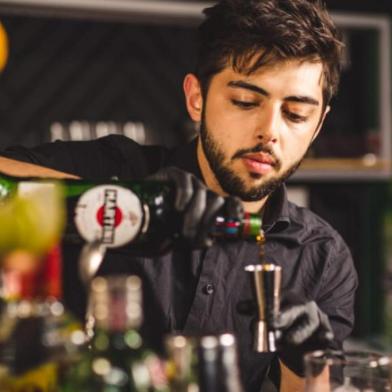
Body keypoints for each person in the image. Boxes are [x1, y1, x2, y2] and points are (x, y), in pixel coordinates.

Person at [0, 0, 357, 390]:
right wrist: (126, 197)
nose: (269, 131)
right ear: (196, 98)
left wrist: (306, 360)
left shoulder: (321, 256)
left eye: (295, 114)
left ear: (318, 124)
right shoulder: (120, 169)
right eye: (245, 102)